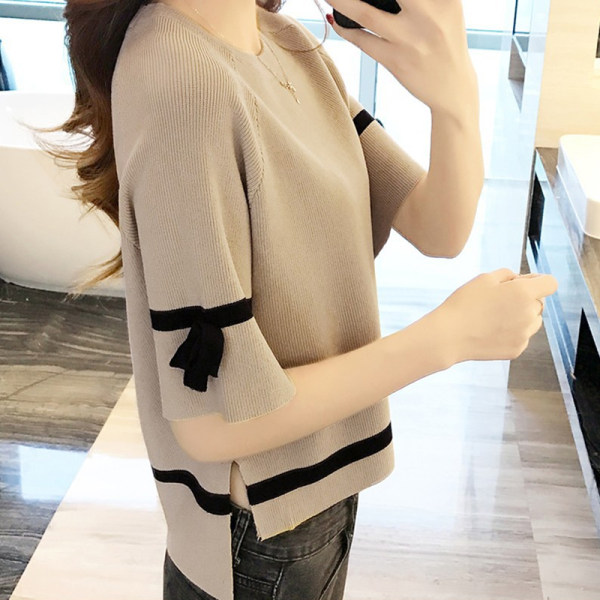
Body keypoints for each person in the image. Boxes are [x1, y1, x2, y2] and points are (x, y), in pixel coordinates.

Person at [44, 0, 558, 598]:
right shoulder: (181, 79)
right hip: (259, 528)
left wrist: (457, 101)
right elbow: (213, 425)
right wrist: (446, 338)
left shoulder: (280, 40)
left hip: (315, 495)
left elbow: (437, 226)